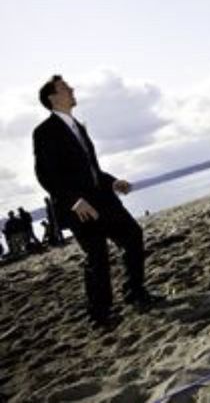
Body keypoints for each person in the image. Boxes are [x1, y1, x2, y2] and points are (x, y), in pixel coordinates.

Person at [33, 75, 163, 329]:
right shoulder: (44, 131)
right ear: (52, 97)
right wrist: (74, 201)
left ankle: (135, 292)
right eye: (65, 88)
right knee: (97, 257)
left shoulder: (78, 127)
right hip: (80, 208)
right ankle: (100, 316)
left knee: (132, 236)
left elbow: (93, 170)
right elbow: (46, 175)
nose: (72, 89)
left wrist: (113, 182)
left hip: (104, 199)